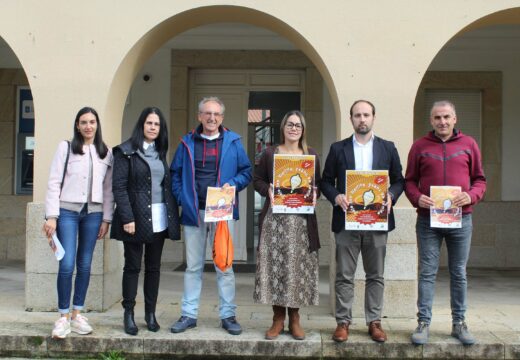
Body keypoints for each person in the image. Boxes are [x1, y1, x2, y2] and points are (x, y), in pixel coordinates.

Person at [321, 100, 404, 343]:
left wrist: (391, 195)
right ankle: (343, 322)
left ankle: (374, 322)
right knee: (344, 275)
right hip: (347, 222)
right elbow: (325, 181)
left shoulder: (388, 148)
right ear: (351, 119)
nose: (362, 119)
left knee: (375, 275)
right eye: (357, 115)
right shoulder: (338, 149)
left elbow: (400, 180)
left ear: (373, 118)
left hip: (377, 222)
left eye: (366, 115)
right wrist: (336, 196)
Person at [405, 100, 486, 345]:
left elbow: (480, 180)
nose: (442, 121)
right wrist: (418, 198)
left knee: (458, 273)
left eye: (447, 117)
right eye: (437, 117)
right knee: (427, 273)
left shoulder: (469, 144)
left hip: (461, 219)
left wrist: (470, 196)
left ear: (455, 119)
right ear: (431, 120)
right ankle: (423, 323)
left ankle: (459, 323)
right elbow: (409, 181)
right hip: (428, 221)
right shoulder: (419, 146)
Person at [170, 96, 252, 335]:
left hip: (222, 212)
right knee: (193, 267)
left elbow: (246, 172)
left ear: (222, 118)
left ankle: (228, 316)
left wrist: (233, 184)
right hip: (195, 213)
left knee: (224, 267)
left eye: (216, 114)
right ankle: (188, 314)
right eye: (207, 113)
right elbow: (175, 174)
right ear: (199, 116)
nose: (211, 118)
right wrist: (181, 198)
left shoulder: (233, 141)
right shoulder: (186, 142)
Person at [43, 106, 114, 339]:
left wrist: (106, 218)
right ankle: (62, 317)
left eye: (92, 122)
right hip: (67, 212)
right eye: (83, 122)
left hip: (93, 214)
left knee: (85, 265)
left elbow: (108, 189)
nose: (88, 126)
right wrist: (51, 216)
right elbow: (54, 182)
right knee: (67, 264)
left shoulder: (106, 152)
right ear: (77, 125)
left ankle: (77, 314)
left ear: (97, 124)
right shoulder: (66, 148)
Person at [111, 107, 180, 336]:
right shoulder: (125, 151)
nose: (153, 127)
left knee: (153, 268)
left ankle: (150, 314)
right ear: (142, 125)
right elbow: (119, 187)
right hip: (134, 217)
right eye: (149, 123)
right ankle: (128, 314)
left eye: (157, 124)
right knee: (132, 267)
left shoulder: (160, 152)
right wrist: (127, 217)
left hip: (159, 217)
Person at [253, 110, 321, 341]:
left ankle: (295, 318)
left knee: (297, 269)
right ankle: (277, 319)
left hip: (302, 223)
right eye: (290, 124)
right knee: (276, 268)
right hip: (275, 221)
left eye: (298, 125)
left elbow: (317, 185)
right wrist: (268, 190)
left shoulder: (311, 155)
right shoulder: (270, 153)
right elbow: (257, 180)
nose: (294, 128)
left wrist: (314, 193)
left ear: (303, 130)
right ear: (283, 128)